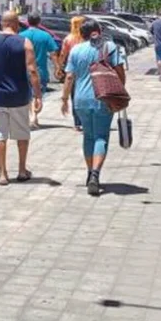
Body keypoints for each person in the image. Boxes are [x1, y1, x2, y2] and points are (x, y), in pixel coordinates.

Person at [0, 10, 43, 186]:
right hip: (19, 95)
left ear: (1, 24)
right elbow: (32, 70)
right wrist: (38, 95)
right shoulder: (25, 42)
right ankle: (21, 170)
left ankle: (3, 174)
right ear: (16, 24)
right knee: (22, 134)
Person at [61, 18, 126, 196]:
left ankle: (89, 172)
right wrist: (120, 91)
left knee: (88, 136)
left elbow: (69, 77)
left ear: (81, 34)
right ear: (98, 31)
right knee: (101, 137)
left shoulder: (75, 50)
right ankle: (95, 175)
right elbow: (120, 71)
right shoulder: (109, 47)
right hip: (103, 97)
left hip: (80, 99)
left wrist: (65, 98)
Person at [19, 12, 59, 124]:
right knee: (37, 93)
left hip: (22, 70)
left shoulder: (21, 36)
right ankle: (34, 115)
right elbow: (53, 53)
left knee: (27, 94)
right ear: (39, 22)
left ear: (28, 21)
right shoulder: (45, 36)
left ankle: (31, 115)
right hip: (40, 70)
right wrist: (57, 68)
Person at [57, 15, 86, 130]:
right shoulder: (85, 39)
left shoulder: (68, 39)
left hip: (73, 69)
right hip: (86, 69)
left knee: (74, 96)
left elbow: (63, 54)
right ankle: (86, 120)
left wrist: (59, 67)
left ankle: (77, 122)